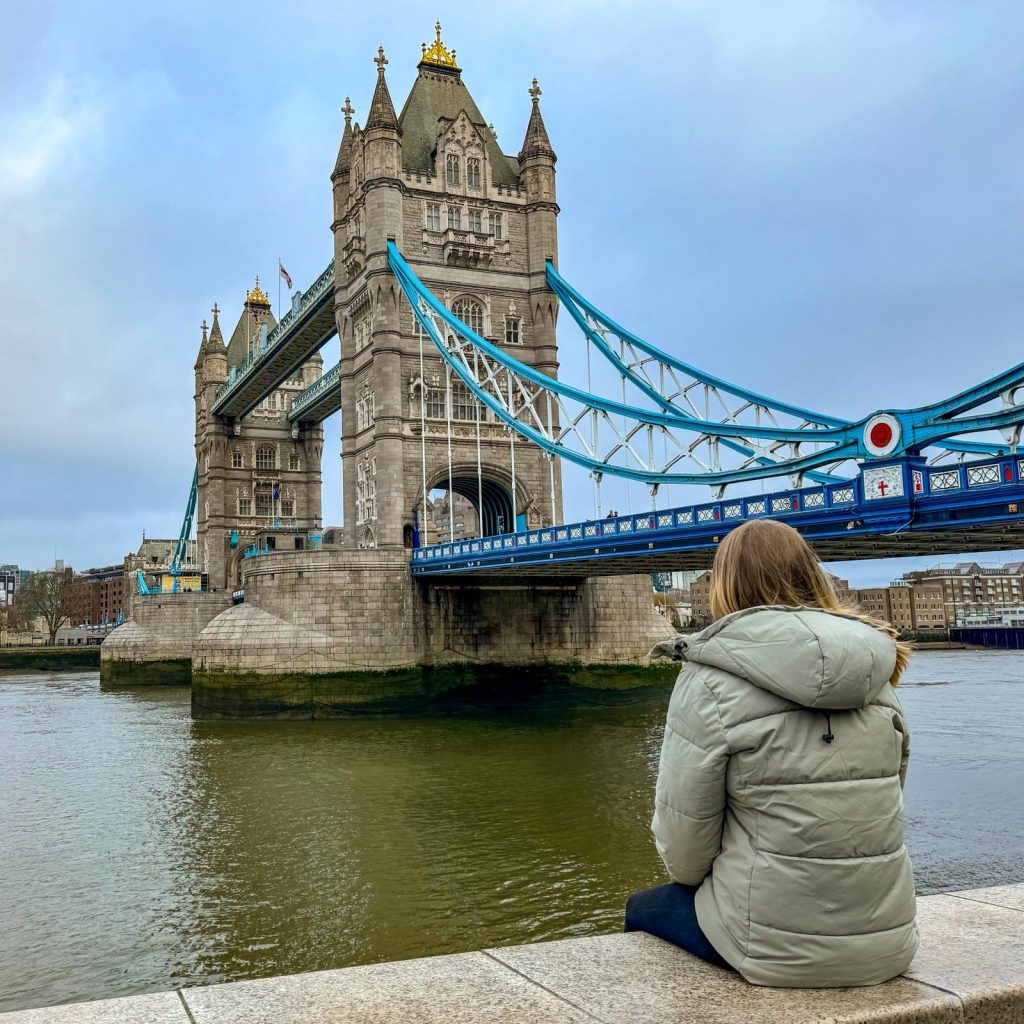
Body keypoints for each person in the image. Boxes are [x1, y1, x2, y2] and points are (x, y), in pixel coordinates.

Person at [627, 518, 917, 987]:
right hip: (890, 944)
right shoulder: (876, 671)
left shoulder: (707, 681)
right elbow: (886, 799)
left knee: (643, 908)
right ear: (812, 575)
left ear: (725, 586)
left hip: (767, 949)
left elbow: (685, 853)